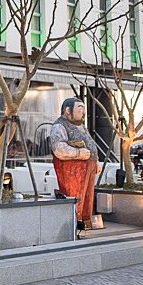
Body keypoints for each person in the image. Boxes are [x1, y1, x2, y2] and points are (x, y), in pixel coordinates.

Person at [49, 98, 97, 228]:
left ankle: (86, 220)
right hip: (72, 168)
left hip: (88, 166)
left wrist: (95, 161)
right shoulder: (59, 126)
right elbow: (58, 148)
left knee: (88, 196)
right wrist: (77, 153)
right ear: (68, 110)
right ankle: (75, 221)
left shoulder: (81, 127)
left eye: (83, 108)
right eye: (79, 108)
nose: (83, 112)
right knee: (75, 196)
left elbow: (90, 144)